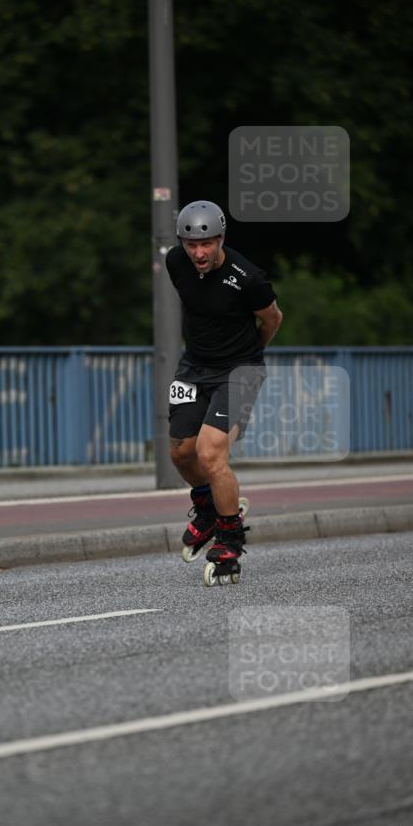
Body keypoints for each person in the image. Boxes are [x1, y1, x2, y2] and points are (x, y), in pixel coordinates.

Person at [166, 200, 283, 569]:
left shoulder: (248, 279)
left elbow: (272, 319)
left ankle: (230, 536)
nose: (198, 253)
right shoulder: (175, 262)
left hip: (240, 369)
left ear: (221, 239)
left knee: (210, 451)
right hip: (194, 367)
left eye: (207, 244)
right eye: (191, 245)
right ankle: (208, 509)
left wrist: (252, 355)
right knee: (180, 451)